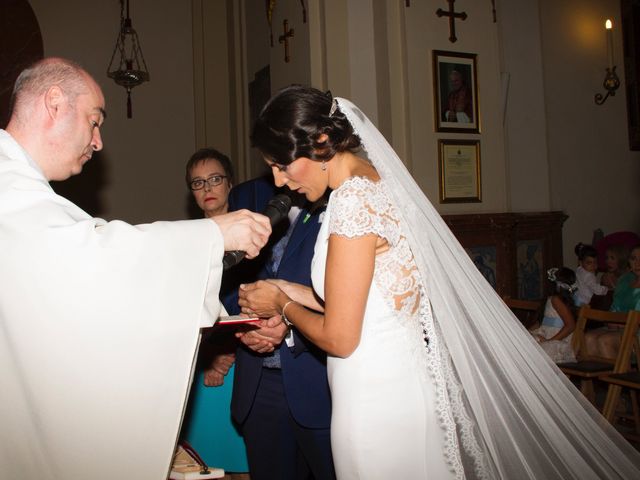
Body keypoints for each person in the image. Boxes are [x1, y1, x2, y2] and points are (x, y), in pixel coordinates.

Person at [239, 85, 640, 479]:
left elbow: (341, 337)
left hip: (374, 398)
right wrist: (289, 290)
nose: (277, 181)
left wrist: (281, 306)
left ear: (322, 141)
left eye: (282, 165)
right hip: (404, 383)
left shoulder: (352, 203)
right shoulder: (375, 185)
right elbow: (370, 299)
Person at [0, 57, 271, 480]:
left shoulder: (19, 188)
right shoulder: (10, 189)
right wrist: (213, 235)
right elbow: (96, 259)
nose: (98, 140)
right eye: (93, 121)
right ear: (54, 103)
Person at [227, 175, 335, 480]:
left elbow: (348, 299)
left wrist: (288, 327)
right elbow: (229, 282)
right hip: (259, 384)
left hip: (317, 378)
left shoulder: (343, 196)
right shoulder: (247, 195)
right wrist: (247, 326)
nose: (277, 174)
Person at [179, 148, 250, 478]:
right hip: (197, 368)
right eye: (197, 182)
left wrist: (228, 354)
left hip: (247, 365)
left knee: (245, 465)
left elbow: (261, 300)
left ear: (230, 184)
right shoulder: (181, 242)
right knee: (200, 466)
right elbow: (178, 308)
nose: (207, 188)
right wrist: (210, 355)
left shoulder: (255, 237)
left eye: (215, 179)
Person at [585, 243, 640, 359]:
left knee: (605, 340)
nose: (637, 263)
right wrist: (613, 321)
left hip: (636, 332)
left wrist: (624, 324)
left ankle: (620, 375)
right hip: (620, 328)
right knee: (588, 338)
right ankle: (600, 376)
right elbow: (615, 307)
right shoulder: (625, 280)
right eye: (634, 258)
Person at [530, 267, 578, 363]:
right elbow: (542, 322)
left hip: (556, 339)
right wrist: (528, 331)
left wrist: (550, 341)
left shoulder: (556, 300)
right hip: (545, 333)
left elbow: (571, 326)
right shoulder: (551, 299)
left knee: (531, 349)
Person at [574, 242, 608, 307]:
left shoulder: (579, 269)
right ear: (580, 263)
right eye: (589, 263)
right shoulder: (589, 276)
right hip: (583, 301)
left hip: (576, 297)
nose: (593, 265)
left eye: (595, 262)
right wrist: (606, 289)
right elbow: (596, 289)